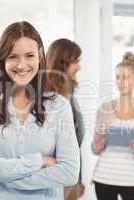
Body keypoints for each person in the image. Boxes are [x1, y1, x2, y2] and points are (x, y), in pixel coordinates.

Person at [0, 21, 80, 200]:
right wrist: (39, 161)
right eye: (13, 56)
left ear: (40, 56)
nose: (22, 65)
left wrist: (7, 178)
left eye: (29, 55)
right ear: (2, 59)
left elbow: (69, 172)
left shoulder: (59, 106)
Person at [91, 52, 134, 200]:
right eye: (118, 77)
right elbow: (95, 150)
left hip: (133, 179)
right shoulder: (105, 109)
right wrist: (98, 140)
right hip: (104, 177)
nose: (120, 82)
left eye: (125, 77)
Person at [46, 38, 85, 200]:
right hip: (58, 173)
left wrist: (78, 177)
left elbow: (75, 140)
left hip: (69, 171)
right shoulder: (51, 97)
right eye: (76, 61)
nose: (79, 66)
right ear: (62, 63)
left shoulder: (68, 91)